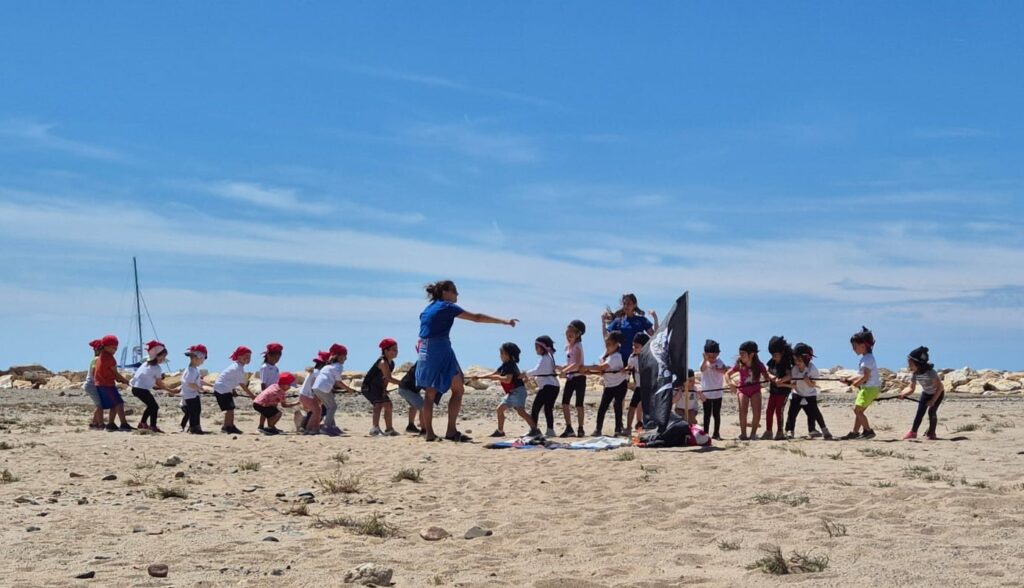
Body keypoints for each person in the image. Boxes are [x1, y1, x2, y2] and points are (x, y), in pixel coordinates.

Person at [415, 280, 518, 442]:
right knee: (458, 389)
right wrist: (504, 321)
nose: (457, 294)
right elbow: (477, 317)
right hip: (440, 347)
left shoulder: (427, 309)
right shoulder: (447, 306)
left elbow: (423, 332)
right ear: (445, 292)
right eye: (454, 291)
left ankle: (429, 434)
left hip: (424, 349)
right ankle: (451, 431)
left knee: (429, 394)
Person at [477, 343, 540, 438]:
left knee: (520, 411)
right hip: (512, 392)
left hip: (518, 391)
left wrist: (497, 377)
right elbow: (494, 374)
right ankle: (500, 431)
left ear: (507, 354)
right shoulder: (504, 365)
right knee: (501, 409)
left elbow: (508, 379)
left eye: (501, 353)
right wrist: (479, 377)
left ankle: (535, 430)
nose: (500, 356)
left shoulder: (511, 365)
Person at [129, 340, 179, 433]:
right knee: (154, 407)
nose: (163, 359)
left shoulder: (145, 364)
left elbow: (148, 380)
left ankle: (143, 423)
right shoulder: (157, 368)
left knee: (151, 406)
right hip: (141, 389)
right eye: (163, 356)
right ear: (157, 355)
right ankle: (153, 426)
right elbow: (159, 383)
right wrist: (171, 390)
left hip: (136, 388)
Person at [586, 332, 630, 437]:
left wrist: (586, 367)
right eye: (606, 344)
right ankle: (598, 429)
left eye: (609, 344)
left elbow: (602, 367)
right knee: (602, 407)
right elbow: (602, 371)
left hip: (620, 384)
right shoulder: (606, 356)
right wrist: (589, 372)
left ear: (616, 345)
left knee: (617, 406)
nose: (607, 346)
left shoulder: (616, 357)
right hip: (609, 385)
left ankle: (618, 429)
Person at [784, 343, 831, 439]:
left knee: (815, 413)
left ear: (806, 359)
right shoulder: (794, 369)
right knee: (792, 413)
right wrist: (783, 384)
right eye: (795, 360)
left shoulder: (812, 369)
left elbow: (813, 385)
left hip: (810, 394)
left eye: (799, 360)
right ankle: (790, 430)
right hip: (797, 393)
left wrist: (807, 381)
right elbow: (794, 384)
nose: (797, 363)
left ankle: (823, 430)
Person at [840, 327, 880, 440]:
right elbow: (860, 375)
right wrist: (848, 379)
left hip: (869, 389)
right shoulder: (866, 358)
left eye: (854, 346)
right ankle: (855, 432)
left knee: (857, 411)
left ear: (863, 346)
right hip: (871, 388)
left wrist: (854, 384)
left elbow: (865, 376)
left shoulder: (867, 359)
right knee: (859, 411)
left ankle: (868, 431)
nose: (853, 349)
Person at [900, 346, 944, 440]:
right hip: (926, 394)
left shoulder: (931, 373)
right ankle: (913, 432)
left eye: (910, 363)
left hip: (937, 394)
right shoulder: (915, 373)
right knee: (920, 412)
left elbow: (940, 388)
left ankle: (932, 433)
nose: (908, 365)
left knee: (931, 411)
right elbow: (911, 388)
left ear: (918, 363)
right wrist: (903, 394)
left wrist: (933, 401)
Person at [312, 343, 356, 436]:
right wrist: (349, 389)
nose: (346, 359)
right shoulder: (338, 366)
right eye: (344, 356)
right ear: (338, 356)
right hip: (323, 388)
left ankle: (332, 426)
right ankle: (327, 427)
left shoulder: (328, 366)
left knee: (329, 406)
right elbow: (338, 382)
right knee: (332, 407)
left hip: (316, 387)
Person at [601, 293, 658, 364]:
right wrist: (603, 322)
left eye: (628, 303)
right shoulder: (618, 321)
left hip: (637, 360)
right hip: (620, 360)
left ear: (635, 305)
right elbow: (606, 338)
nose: (626, 306)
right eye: (624, 304)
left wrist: (655, 318)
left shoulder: (641, 320)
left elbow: (655, 336)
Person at [361, 338, 402, 437]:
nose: (396, 352)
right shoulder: (383, 362)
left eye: (397, 349)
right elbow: (389, 377)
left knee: (388, 405)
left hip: (378, 387)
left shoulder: (391, 363)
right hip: (368, 386)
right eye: (393, 349)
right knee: (378, 405)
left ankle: (389, 429)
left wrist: (384, 390)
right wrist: (403, 383)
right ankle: (375, 429)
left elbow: (386, 379)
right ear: (386, 351)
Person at [727, 341, 766, 440]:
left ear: (752, 354)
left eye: (743, 353)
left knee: (756, 412)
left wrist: (767, 379)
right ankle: (743, 434)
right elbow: (727, 374)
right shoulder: (739, 364)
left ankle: (753, 434)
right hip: (742, 390)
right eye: (740, 353)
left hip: (755, 390)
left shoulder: (759, 365)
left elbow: (766, 376)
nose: (741, 356)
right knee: (743, 411)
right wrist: (730, 383)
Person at [213, 346, 256, 435]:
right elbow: (243, 385)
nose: (248, 358)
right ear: (239, 356)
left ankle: (230, 426)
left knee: (231, 408)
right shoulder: (238, 368)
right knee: (230, 408)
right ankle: (227, 427)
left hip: (224, 388)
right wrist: (252, 396)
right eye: (245, 356)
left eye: (249, 356)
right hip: (222, 388)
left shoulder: (237, 367)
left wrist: (233, 390)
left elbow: (230, 379)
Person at [524, 335, 560, 437]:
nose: (535, 349)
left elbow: (538, 370)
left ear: (543, 347)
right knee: (548, 409)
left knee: (536, 408)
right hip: (553, 386)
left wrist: (524, 374)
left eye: (537, 347)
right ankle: (550, 430)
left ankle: (534, 429)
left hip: (548, 387)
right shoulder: (547, 358)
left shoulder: (545, 358)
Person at [94, 334, 131, 431]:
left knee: (113, 404)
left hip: (101, 384)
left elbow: (108, 372)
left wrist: (117, 378)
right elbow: (115, 373)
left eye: (116, 348)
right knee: (119, 403)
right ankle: (123, 423)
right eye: (113, 348)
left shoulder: (102, 356)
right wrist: (126, 381)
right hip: (107, 385)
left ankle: (111, 424)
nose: (115, 350)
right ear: (105, 346)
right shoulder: (109, 358)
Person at [559, 320, 588, 438]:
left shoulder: (578, 346)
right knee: (565, 402)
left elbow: (577, 363)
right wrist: (562, 368)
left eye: (571, 334)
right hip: (570, 378)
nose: (568, 337)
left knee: (579, 404)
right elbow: (570, 363)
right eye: (567, 334)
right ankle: (569, 427)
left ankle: (581, 428)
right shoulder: (568, 347)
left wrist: (565, 370)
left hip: (579, 377)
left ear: (578, 334)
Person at [763, 336, 794, 440]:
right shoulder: (772, 361)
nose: (774, 357)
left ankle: (780, 432)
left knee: (778, 410)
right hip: (773, 390)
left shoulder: (786, 362)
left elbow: (790, 375)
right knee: (769, 411)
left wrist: (781, 380)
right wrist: (771, 376)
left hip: (783, 391)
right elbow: (767, 371)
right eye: (772, 355)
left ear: (782, 353)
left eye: (776, 355)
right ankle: (768, 431)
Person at [179, 344, 212, 434]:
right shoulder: (190, 371)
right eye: (202, 359)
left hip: (193, 394)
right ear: (195, 358)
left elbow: (198, 381)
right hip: (190, 395)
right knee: (193, 411)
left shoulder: (194, 369)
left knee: (197, 410)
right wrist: (200, 389)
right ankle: (194, 428)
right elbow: (190, 383)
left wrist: (210, 385)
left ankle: (195, 426)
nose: (203, 361)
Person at [700, 339, 729, 440]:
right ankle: (705, 433)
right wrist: (705, 360)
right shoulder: (704, 362)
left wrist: (718, 369)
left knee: (716, 414)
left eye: (714, 356)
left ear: (717, 354)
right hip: (706, 393)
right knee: (706, 414)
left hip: (717, 393)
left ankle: (716, 433)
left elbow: (725, 370)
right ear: (705, 354)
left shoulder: (719, 362)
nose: (712, 359)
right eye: (710, 356)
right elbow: (702, 369)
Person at [296, 351, 328, 434]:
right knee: (317, 411)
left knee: (318, 410)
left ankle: (315, 427)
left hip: (304, 395)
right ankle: (309, 428)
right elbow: (314, 386)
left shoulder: (314, 371)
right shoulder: (317, 373)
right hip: (308, 396)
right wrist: (318, 397)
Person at [625, 332, 651, 432]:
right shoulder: (632, 357)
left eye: (637, 346)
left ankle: (648, 426)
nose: (634, 348)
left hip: (648, 387)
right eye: (633, 345)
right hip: (639, 387)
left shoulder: (650, 358)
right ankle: (628, 427)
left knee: (647, 408)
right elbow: (629, 368)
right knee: (632, 406)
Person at [257, 343, 284, 431]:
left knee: (272, 409)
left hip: (274, 392)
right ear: (268, 356)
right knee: (265, 410)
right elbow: (263, 382)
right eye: (274, 358)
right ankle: (261, 426)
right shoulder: (265, 367)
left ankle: (270, 425)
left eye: (278, 358)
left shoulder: (276, 368)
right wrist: (264, 394)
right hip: (267, 392)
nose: (276, 360)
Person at [397, 361, 426, 434]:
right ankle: (424, 429)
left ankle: (411, 426)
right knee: (424, 407)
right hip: (408, 389)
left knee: (414, 405)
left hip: (403, 388)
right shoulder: (425, 365)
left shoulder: (421, 362)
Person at [84, 339, 105, 430]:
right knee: (100, 405)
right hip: (91, 385)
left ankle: (94, 423)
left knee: (99, 404)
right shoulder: (97, 359)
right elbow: (94, 372)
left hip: (91, 385)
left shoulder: (96, 359)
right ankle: (101, 424)